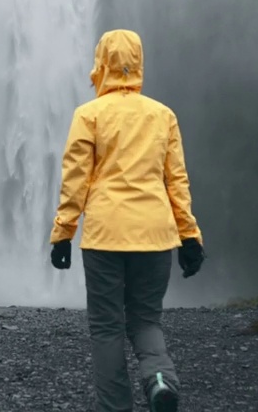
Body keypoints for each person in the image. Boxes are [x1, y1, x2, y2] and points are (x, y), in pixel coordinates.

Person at [49, 29, 205, 412]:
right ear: (139, 62)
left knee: (106, 328)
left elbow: (76, 179)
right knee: (146, 321)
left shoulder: (88, 115)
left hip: (104, 237)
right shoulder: (163, 115)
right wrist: (189, 237)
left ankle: (115, 407)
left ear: (100, 63)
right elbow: (176, 181)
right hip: (155, 237)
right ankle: (159, 379)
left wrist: (63, 234)